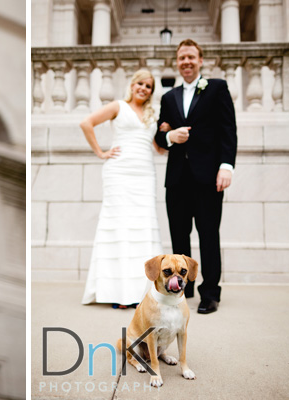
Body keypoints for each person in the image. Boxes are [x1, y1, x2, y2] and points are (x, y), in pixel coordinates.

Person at [154, 39, 237, 315]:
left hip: (208, 177)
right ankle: (182, 289)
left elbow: (228, 130)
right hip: (177, 179)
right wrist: (169, 135)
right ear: (177, 63)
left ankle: (210, 293)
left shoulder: (216, 88)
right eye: (181, 58)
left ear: (200, 60)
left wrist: (226, 166)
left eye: (191, 57)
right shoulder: (169, 97)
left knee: (208, 234)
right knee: (179, 237)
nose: (186, 62)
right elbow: (159, 136)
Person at [79, 69, 164, 308]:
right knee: (120, 228)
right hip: (119, 173)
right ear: (132, 84)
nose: (143, 89)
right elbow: (86, 123)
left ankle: (143, 292)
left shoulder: (152, 114)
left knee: (142, 228)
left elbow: (159, 148)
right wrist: (100, 152)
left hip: (145, 174)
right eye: (140, 84)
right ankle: (118, 292)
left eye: (148, 86)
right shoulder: (118, 106)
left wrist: (168, 133)